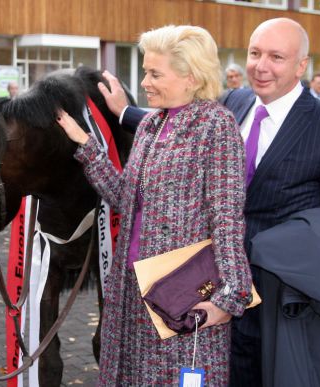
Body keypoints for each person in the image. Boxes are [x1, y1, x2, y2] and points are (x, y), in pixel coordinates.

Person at [113, 18, 320, 386]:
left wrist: (297, 255)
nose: (261, 65)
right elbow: (181, 127)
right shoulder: (232, 102)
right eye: (255, 53)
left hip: (275, 292)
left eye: (277, 57)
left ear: (302, 65)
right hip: (204, 283)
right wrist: (126, 113)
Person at [56, 25, 252, 385]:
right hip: (131, 289)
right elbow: (125, 200)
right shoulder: (150, 125)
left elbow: (226, 217)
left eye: (154, 73)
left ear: (190, 77)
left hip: (180, 297)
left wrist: (230, 297)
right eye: (146, 71)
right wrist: (86, 145)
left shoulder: (216, 126)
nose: (144, 82)